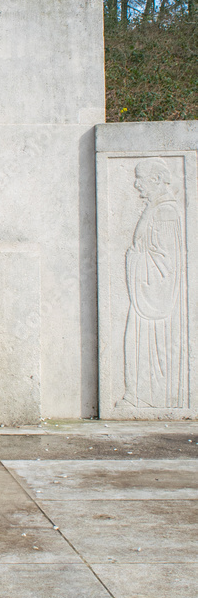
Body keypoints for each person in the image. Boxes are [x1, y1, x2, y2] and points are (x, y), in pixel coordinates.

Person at [118, 158, 186, 409]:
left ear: (156, 180)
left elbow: (167, 265)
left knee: (146, 344)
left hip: (153, 296)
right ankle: (137, 394)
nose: (136, 185)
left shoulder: (165, 212)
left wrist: (136, 259)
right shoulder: (155, 208)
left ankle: (147, 396)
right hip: (143, 294)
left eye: (141, 178)